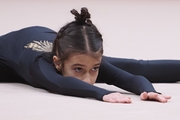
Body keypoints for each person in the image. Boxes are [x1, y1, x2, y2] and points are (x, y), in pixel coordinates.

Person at [0, 7, 175, 103]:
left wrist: (150, 91)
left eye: (94, 69)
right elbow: (60, 83)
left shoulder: (81, 57)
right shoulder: (39, 64)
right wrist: (102, 93)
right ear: (57, 63)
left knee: (136, 65)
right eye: (78, 69)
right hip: (6, 58)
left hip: (48, 38)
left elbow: (129, 77)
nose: (87, 79)